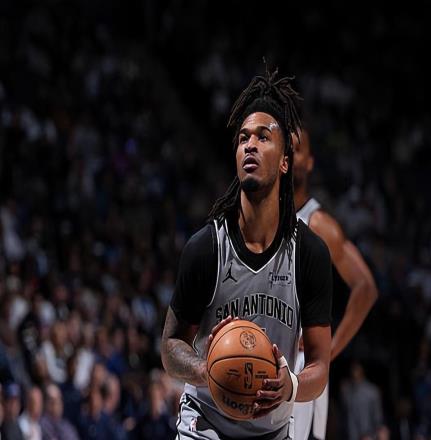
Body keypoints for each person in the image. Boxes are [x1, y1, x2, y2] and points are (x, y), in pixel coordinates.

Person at [161, 68, 333, 439]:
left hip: (272, 430)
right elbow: (171, 347)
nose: (250, 145)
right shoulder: (206, 248)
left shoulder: (309, 253)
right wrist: (204, 368)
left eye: (262, 136)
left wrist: (290, 386)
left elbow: (320, 366)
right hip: (204, 424)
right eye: (243, 138)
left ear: (285, 160)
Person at [291, 128, 378, 439]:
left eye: (297, 148)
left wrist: (329, 349)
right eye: (285, 147)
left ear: (310, 162)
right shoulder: (262, 217)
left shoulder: (320, 224)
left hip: (300, 363)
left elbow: (365, 288)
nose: (290, 154)